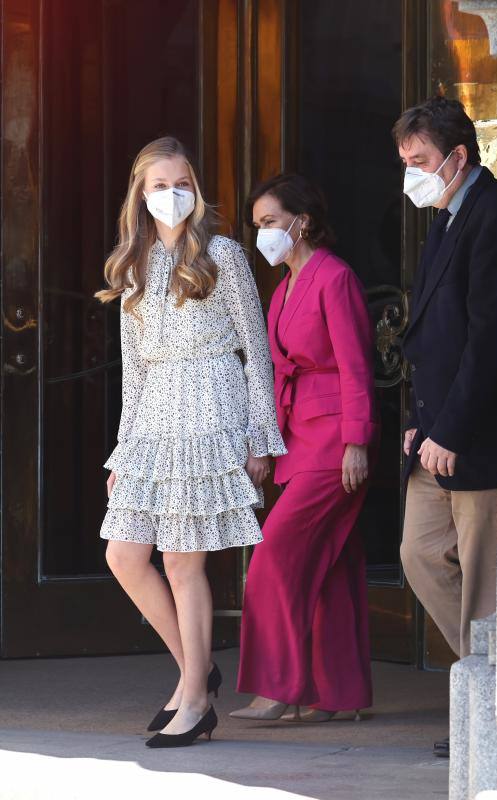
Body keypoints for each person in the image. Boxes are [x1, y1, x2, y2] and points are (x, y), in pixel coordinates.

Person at [95, 136, 286, 748]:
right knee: (124, 555)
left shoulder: (223, 254)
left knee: (182, 561)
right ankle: (194, 671)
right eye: (158, 186)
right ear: (140, 194)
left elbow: (256, 350)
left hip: (212, 407)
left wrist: (261, 436)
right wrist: (123, 452)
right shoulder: (131, 263)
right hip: (153, 419)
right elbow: (134, 367)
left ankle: (196, 699)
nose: (171, 195)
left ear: (195, 189)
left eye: (181, 184)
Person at [230, 174, 378, 721]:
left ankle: (278, 688)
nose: (263, 235)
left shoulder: (333, 277)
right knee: (331, 564)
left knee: (274, 557)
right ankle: (337, 694)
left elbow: (357, 365)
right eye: (258, 226)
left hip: (336, 439)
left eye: (270, 223)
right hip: (298, 437)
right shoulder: (285, 286)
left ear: (303, 222)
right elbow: (272, 372)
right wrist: (264, 443)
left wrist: (357, 442)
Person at [394, 96, 497, 757]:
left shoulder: (490, 214)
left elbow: (488, 337)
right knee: (418, 552)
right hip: (433, 435)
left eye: (419, 161)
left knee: (482, 581)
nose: (410, 174)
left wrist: (451, 429)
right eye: (403, 162)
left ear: (457, 158)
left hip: (473, 439)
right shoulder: (443, 218)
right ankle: (492, 690)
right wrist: (417, 422)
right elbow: (428, 337)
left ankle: (490, 713)